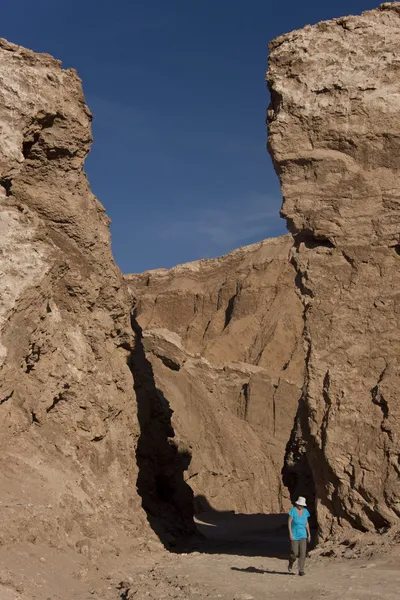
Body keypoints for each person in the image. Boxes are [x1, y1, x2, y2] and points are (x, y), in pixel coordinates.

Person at [288, 496, 311, 576]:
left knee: (303, 553)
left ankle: (301, 570)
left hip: (303, 534)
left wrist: (309, 534)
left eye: (302, 505)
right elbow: (289, 522)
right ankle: (291, 562)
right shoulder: (293, 510)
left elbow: (306, 523)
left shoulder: (305, 512)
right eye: (300, 505)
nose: (301, 506)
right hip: (294, 534)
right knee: (294, 552)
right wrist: (290, 533)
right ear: (297, 504)